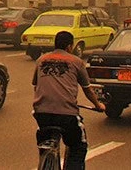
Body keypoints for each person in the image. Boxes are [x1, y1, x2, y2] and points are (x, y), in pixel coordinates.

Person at [33, 30, 105, 170]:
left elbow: (36, 86)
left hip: (41, 114)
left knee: (45, 143)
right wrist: (98, 105)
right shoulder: (76, 62)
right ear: (69, 46)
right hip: (67, 115)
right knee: (78, 146)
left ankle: (45, 161)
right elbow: (87, 89)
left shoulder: (41, 60)